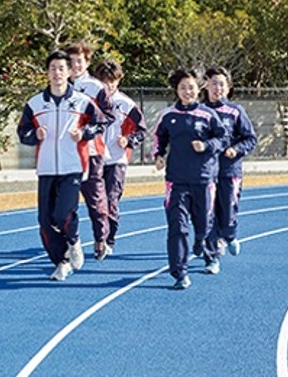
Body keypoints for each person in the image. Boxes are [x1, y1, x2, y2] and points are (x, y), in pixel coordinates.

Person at [17, 50, 106, 281]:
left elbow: (100, 124)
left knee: (64, 213)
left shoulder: (82, 102)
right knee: (46, 222)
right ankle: (62, 261)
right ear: (47, 73)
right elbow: (22, 132)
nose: (57, 73)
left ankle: (74, 242)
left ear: (69, 72)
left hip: (73, 166)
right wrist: (34, 134)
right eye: (52, 68)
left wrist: (84, 133)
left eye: (61, 68)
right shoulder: (35, 103)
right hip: (46, 168)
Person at [152, 68, 228, 289]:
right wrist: (158, 156)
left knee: (203, 223)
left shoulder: (208, 115)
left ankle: (203, 244)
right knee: (177, 226)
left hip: (203, 179)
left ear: (199, 88)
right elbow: (159, 138)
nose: (187, 91)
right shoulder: (168, 115)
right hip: (176, 180)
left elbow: (222, 138)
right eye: (183, 87)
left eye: (191, 87)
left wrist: (206, 145)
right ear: (176, 90)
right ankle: (180, 272)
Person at [202, 66, 258, 274]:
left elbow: (250, 139)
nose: (218, 88)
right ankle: (212, 258)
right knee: (207, 214)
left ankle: (230, 234)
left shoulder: (235, 111)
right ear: (206, 85)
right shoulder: (199, 111)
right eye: (214, 83)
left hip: (230, 171)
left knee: (227, 213)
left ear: (228, 87)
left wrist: (236, 149)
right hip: (205, 173)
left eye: (222, 84)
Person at [64, 40, 116, 260]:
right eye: (71, 61)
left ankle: (100, 238)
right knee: (64, 204)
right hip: (64, 155)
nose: (75, 66)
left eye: (79, 61)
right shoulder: (59, 87)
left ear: (87, 62)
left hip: (91, 152)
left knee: (95, 200)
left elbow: (108, 117)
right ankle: (71, 243)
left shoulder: (96, 87)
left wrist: (86, 131)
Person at [93, 59, 147, 255]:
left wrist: (128, 139)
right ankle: (99, 236)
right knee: (97, 203)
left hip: (116, 159)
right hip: (94, 157)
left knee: (111, 199)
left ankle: (108, 239)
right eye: (104, 81)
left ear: (119, 80)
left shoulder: (126, 104)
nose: (108, 85)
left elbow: (142, 131)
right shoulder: (89, 101)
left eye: (112, 81)